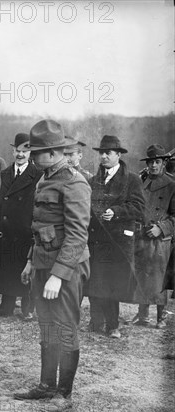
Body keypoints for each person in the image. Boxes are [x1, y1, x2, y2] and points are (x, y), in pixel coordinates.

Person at [15, 119, 91, 412]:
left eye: (36, 152)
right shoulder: (45, 178)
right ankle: (47, 386)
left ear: (51, 152)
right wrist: (31, 262)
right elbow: (40, 227)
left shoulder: (74, 182)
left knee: (65, 328)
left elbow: (76, 235)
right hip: (43, 264)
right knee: (47, 326)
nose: (32, 157)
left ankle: (64, 393)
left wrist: (58, 276)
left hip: (67, 268)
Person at [85, 135, 145, 339]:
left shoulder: (132, 180)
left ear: (118, 155)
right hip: (96, 239)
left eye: (108, 153)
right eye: (101, 153)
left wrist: (116, 212)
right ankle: (95, 322)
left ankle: (112, 325)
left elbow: (139, 207)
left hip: (118, 241)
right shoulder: (93, 180)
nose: (103, 157)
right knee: (95, 280)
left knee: (112, 282)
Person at [0, 133, 42, 320]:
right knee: (7, 268)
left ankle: (28, 308)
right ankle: (6, 306)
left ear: (30, 152)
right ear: (12, 151)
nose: (20, 155)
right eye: (17, 151)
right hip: (5, 229)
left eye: (25, 151)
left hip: (25, 229)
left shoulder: (38, 176)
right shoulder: (3, 174)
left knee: (24, 269)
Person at [131, 144, 175, 328]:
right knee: (142, 273)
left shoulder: (172, 185)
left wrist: (161, 228)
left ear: (164, 163)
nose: (153, 166)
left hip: (160, 239)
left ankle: (161, 316)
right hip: (142, 235)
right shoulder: (141, 182)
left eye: (157, 162)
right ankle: (142, 315)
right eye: (150, 162)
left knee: (159, 276)